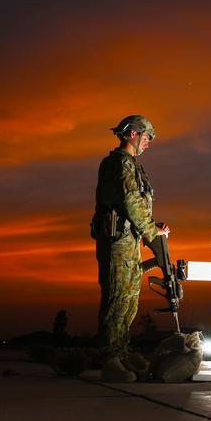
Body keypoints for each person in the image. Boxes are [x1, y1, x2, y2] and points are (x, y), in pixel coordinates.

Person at [91, 114, 170, 382]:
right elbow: (129, 200)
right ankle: (110, 359)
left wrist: (149, 228)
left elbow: (135, 203)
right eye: (146, 137)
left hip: (129, 241)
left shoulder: (130, 165)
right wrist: (150, 231)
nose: (148, 142)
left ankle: (121, 352)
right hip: (118, 244)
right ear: (132, 134)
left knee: (129, 301)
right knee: (117, 299)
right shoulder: (120, 163)